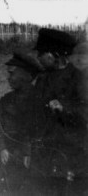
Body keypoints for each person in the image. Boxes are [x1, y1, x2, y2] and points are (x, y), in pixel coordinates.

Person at [30, 28, 87, 195]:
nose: (38, 57)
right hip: (44, 152)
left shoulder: (79, 79)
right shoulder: (42, 79)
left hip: (70, 152)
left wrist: (64, 109)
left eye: (41, 53)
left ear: (55, 54)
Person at [0, 51, 45, 194]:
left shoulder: (39, 100)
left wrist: (28, 152)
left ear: (25, 75)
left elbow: (38, 129)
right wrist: (1, 148)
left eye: (12, 74)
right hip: (8, 159)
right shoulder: (6, 100)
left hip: (30, 161)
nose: (8, 78)